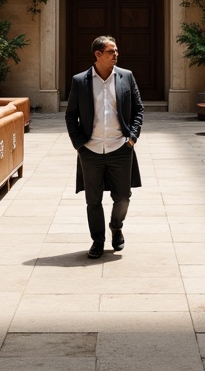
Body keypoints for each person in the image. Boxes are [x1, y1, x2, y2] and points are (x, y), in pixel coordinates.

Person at [65, 35, 144, 259]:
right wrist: (79, 144)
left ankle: (116, 227)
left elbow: (138, 109)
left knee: (123, 197)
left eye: (116, 51)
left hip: (120, 147)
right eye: (111, 52)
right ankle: (97, 241)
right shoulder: (80, 81)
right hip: (90, 150)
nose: (116, 55)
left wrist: (132, 137)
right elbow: (71, 115)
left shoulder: (126, 77)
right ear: (98, 55)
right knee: (93, 201)